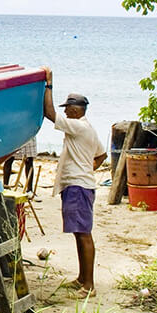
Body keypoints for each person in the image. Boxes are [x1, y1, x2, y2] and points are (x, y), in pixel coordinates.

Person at [42, 68, 100, 293]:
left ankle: (89, 285)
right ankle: (82, 278)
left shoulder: (78, 127)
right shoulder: (89, 130)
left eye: (68, 109)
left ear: (76, 110)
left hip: (78, 185)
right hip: (80, 183)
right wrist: (88, 169)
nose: (65, 113)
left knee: (84, 234)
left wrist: (48, 85)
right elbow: (101, 154)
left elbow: (49, 113)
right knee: (79, 232)